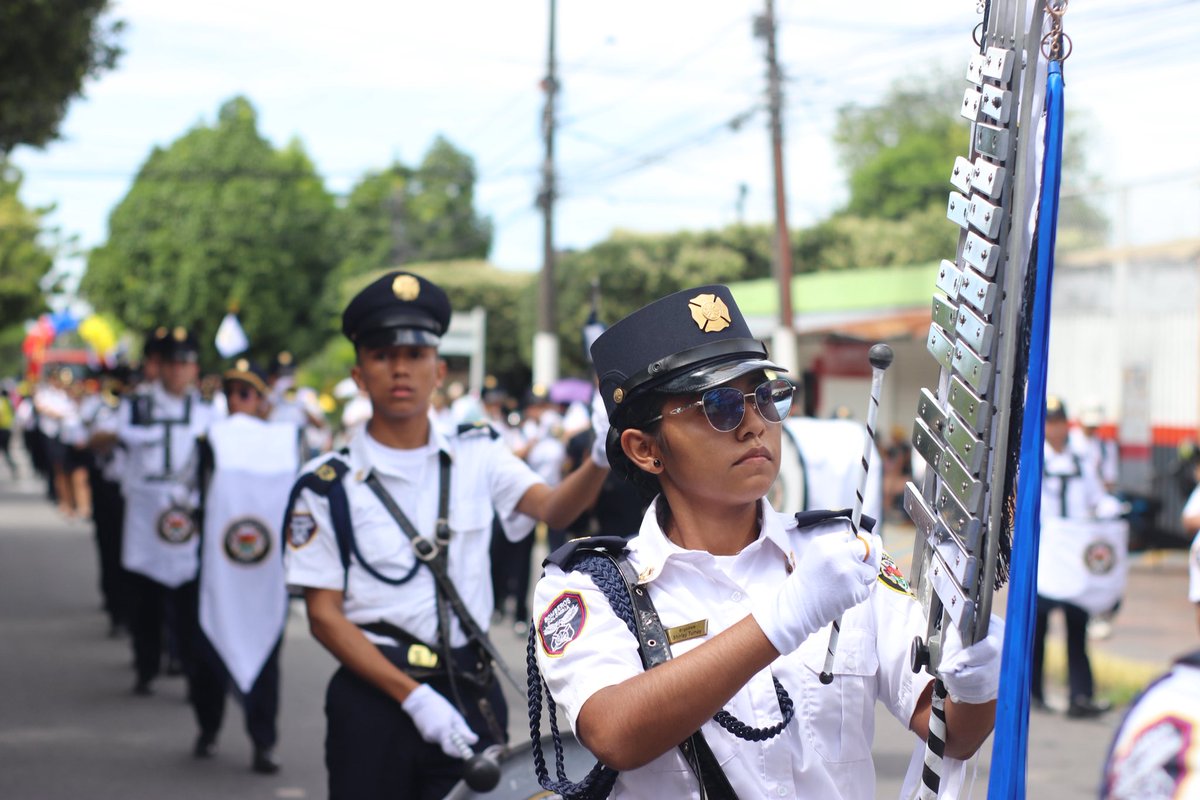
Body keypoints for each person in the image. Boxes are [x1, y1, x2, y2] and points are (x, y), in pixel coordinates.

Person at [530, 285, 999, 799]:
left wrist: (977, 677)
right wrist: (784, 618)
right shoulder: (591, 588)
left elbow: (950, 734)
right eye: (720, 405)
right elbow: (614, 732)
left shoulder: (842, 556)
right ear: (645, 449)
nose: (754, 424)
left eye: (766, 399)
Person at [283, 270, 611, 799]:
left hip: (468, 688)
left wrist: (598, 455)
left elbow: (554, 509)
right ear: (360, 373)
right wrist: (412, 698)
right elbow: (324, 615)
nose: (400, 369)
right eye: (383, 354)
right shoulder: (325, 486)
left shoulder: (478, 452)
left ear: (438, 369)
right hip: (373, 696)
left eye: (415, 355)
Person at [190, 359, 297, 773]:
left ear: (262, 400)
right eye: (231, 392)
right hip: (217, 565)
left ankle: (263, 741)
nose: (237, 400)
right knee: (208, 652)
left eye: (246, 393)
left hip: (264, 573)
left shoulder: (285, 440)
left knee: (266, 652)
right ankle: (208, 728)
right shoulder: (209, 438)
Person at [116, 327, 214, 696]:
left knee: (190, 598)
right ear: (161, 367)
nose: (178, 372)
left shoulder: (206, 411)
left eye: (186, 365)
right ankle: (146, 666)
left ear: (194, 369)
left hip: (188, 510)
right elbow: (116, 439)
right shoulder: (138, 405)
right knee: (145, 596)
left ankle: (190, 668)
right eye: (172, 364)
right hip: (147, 509)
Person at [1032, 395, 1115, 718]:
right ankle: (1034, 691)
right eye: (1049, 422)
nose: (1055, 428)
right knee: (1037, 627)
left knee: (1078, 626)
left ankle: (1080, 696)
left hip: (1075, 555)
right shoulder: (1034, 459)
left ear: (1067, 424)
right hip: (1047, 554)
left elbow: (1098, 499)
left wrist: (1112, 511)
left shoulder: (1081, 460)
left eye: (1059, 421)